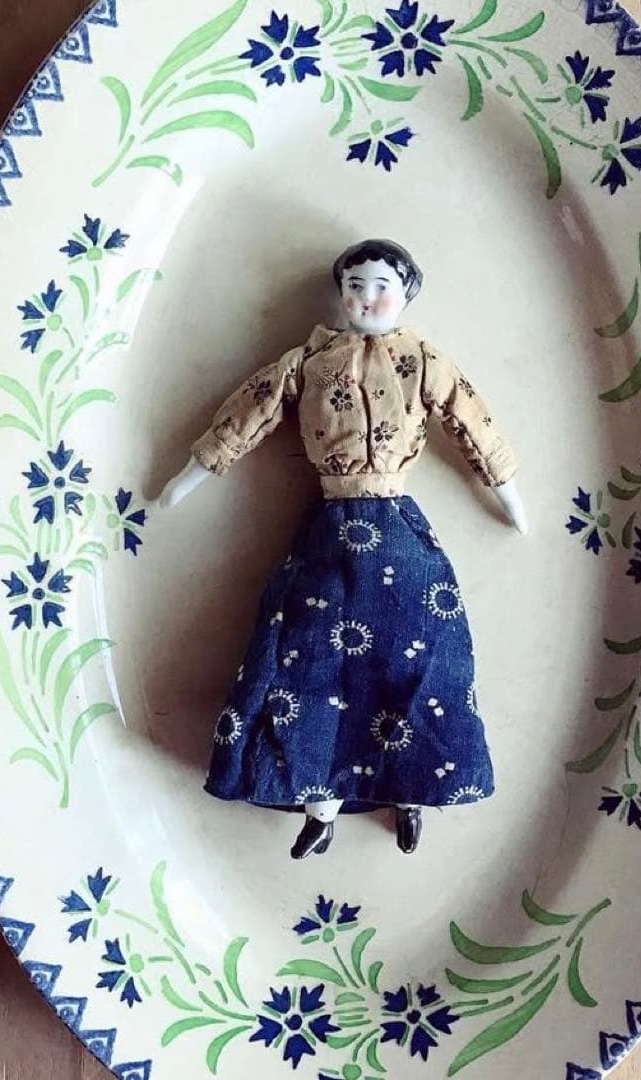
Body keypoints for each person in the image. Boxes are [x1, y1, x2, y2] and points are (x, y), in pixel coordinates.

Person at [159, 238, 527, 858]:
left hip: (401, 533)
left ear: (406, 294)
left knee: (421, 657)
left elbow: (470, 416)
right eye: (354, 285)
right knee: (308, 659)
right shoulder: (310, 360)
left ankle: (412, 794)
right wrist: (192, 473)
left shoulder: (423, 361)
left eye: (382, 286)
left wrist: (507, 490)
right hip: (329, 535)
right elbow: (253, 410)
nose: (366, 298)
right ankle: (319, 802)